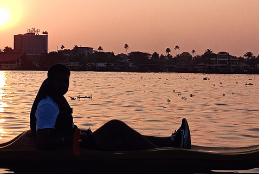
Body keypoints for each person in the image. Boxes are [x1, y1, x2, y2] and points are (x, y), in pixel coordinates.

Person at [30, 64, 191, 151]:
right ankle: (160, 155)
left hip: (76, 143)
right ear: (50, 82)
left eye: (66, 81)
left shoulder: (55, 100)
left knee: (125, 138)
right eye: (60, 81)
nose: (64, 85)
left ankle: (171, 142)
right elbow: (43, 142)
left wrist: (79, 132)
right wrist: (74, 138)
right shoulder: (47, 105)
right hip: (73, 150)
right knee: (115, 126)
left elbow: (62, 128)